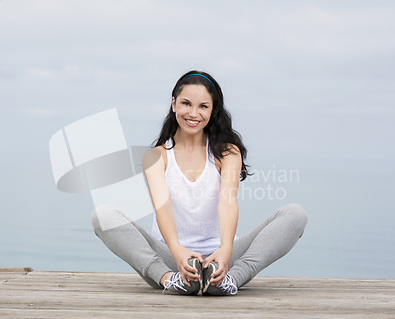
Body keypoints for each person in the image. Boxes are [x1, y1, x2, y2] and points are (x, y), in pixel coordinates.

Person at [91, 70, 308, 296]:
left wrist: (225, 251)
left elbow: (228, 203)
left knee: (295, 214)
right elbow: (161, 207)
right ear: (174, 104)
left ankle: (230, 280)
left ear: (212, 110)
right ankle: (170, 280)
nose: (194, 113)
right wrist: (177, 252)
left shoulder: (228, 153)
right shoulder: (155, 157)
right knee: (103, 215)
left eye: (203, 106)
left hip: (222, 259)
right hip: (171, 259)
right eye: (186, 103)